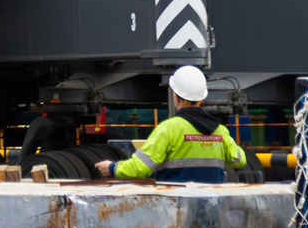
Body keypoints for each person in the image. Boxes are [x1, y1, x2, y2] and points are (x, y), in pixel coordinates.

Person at [95, 65, 246, 183]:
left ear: (175, 95)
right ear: (202, 98)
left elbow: (140, 168)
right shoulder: (219, 131)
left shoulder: (169, 129)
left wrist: (112, 168)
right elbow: (240, 160)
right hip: (211, 209)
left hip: (177, 210)